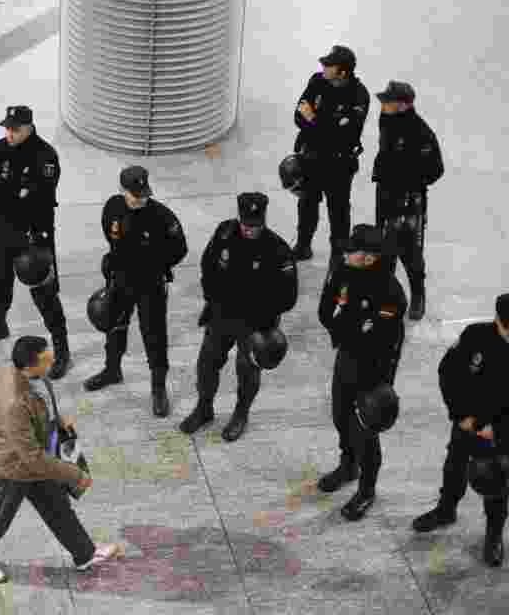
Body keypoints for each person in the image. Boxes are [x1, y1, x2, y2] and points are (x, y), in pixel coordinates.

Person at [0, 335, 121, 583]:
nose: (51, 360)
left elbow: (40, 410)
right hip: (16, 467)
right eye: (45, 358)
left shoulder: (33, 376)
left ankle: (84, 554)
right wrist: (74, 474)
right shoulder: (15, 403)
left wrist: (56, 421)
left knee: (58, 508)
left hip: (35, 458)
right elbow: (32, 457)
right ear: (30, 366)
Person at [179, 193, 297, 440]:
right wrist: (212, 298)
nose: (249, 230)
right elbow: (208, 265)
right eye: (246, 225)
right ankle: (204, 408)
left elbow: (289, 296)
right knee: (207, 364)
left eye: (255, 226)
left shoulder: (278, 250)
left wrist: (260, 311)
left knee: (247, 372)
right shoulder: (225, 234)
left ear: (263, 220)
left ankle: (241, 414)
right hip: (222, 315)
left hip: (256, 325)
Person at [0, 106, 71, 378]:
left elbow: (36, 202)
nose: (9, 134)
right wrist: (12, 191)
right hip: (3, 230)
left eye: (15, 129)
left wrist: (1, 187)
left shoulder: (45, 157)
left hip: (33, 235)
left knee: (44, 292)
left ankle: (62, 350)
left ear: (29, 127)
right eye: (7, 128)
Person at [316, 224, 406, 521]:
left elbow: (378, 338)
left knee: (365, 430)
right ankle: (348, 465)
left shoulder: (390, 292)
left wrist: (347, 326)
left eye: (353, 250)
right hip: (347, 356)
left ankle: (367, 489)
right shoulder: (342, 270)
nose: (346, 253)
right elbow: (325, 311)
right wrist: (349, 327)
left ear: (369, 257)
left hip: (374, 370)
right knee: (340, 415)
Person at [412, 294, 509, 567]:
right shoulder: (475, 336)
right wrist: (461, 415)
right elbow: (448, 373)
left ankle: (494, 534)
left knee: (496, 480)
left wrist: (494, 428)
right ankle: (446, 510)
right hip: (466, 421)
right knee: (454, 464)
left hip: (499, 431)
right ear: (498, 320)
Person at [84, 166, 188, 416]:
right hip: (120, 280)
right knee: (114, 326)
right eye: (134, 194)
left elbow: (180, 248)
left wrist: (155, 264)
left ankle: (158, 388)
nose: (140, 199)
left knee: (154, 335)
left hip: (150, 285)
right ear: (123, 190)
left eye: (143, 194)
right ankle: (112, 370)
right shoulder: (113, 207)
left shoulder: (162, 216)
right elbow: (111, 236)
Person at [371, 80, 444, 321]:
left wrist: (410, 181)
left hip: (410, 201)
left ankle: (418, 295)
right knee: (385, 248)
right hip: (385, 196)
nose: (383, 104)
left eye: (388, 101)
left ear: (403, 104)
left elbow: (436, 169)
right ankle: (387, 294)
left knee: (411, 253)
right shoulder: (386, 120)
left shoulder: (421, 132)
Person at [291, 45, 369, 265]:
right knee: (306, 204)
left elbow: (345, 135)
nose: (323, 67)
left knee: (339, 210)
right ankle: (303, 245)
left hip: (339, 163)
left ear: (342, 72)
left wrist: (314, 120)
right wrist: (327, 125)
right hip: (311, 157)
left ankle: (338, 254)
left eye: (329, 65)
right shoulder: (317, 81)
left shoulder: (358, 95)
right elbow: (298, 116)